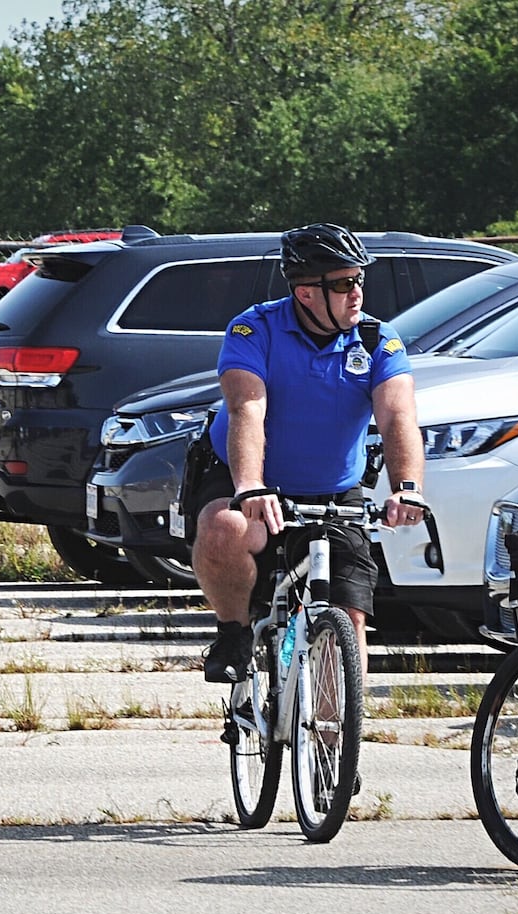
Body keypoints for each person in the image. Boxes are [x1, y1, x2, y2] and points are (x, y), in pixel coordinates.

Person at [190, 223, 429, 685]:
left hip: (335, 489)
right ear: (305, 294)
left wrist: (408, 489)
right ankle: (234, 633)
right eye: (342, 284)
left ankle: (334, 738)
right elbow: (247, 408)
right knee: (223, 527)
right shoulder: (254, 328)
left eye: (359, 279)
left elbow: (398, 416)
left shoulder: (378, 339)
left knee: (350, 618)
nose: (356, 293)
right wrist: (249, 486)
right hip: (252, 478)